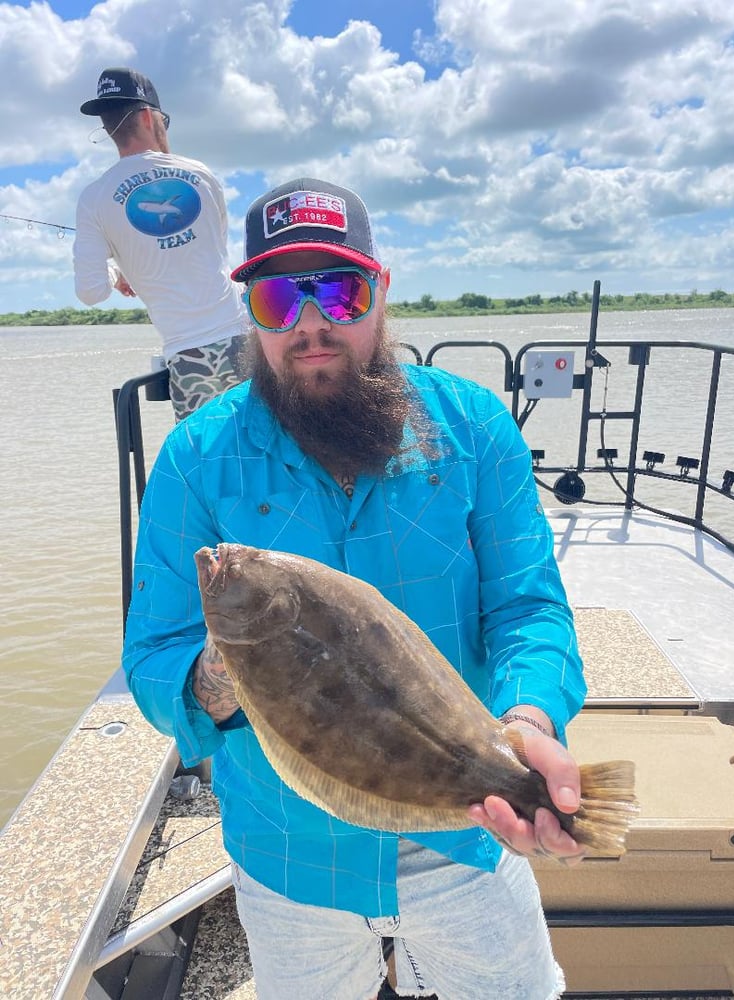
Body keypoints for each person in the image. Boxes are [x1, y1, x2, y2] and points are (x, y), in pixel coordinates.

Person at [123, 177, 587, 999]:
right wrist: (216, 677)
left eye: (339, 291)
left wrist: (525, 723)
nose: (310, 325)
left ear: (380, 292)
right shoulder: (197, 456)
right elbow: (153, 655)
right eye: (275, 298)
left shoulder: (476, 427)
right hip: (287, 853)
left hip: (467, 837)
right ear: (251, 314)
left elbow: (527, 608)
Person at [74, 67, 249, 419]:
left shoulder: (94, 198)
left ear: (109, 128)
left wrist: (115, 273)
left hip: (187, 357)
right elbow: (218, 249)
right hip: (244, 341)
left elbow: (90, 291)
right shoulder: (201, 173)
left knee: (203, 464)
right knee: (269, 453)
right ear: (147, 116)